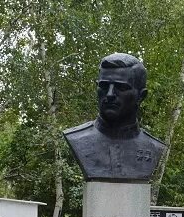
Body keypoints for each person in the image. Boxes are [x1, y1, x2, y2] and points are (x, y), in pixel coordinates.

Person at [63, 53, 166, 182]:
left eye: (121, 87)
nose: (110, 94)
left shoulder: (154, 147)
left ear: (141, 96)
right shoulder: (77, 138)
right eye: (104, 86)